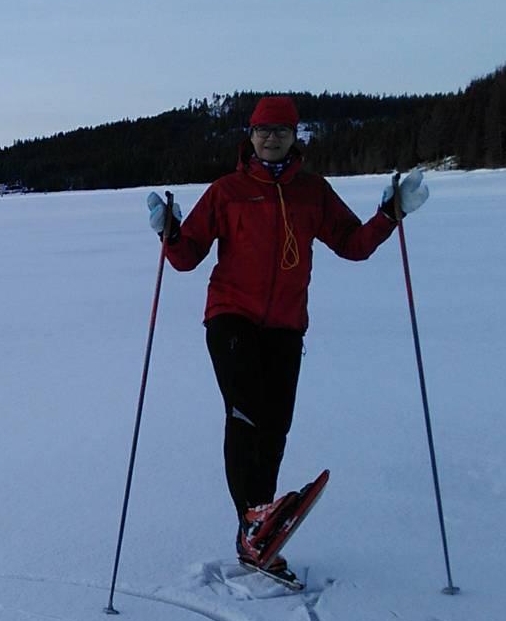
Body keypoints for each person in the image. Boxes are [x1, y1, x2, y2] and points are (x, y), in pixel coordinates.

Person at [146, 95, 428, 572]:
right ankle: (253, 517)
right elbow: (186, 257)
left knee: (275, 426)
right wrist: (169, 232)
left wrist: (389, 214)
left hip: (286, 325)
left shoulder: (312, 192)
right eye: (263, 130)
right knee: (246, 413)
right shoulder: (227, 191)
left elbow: (353, 244)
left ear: (295, 136)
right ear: (250, 135)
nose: (270, 138)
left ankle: (258, 531)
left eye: (280, 131)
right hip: (231, 315)